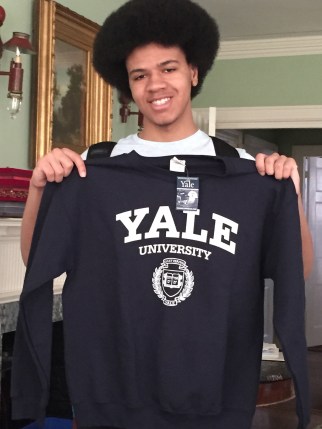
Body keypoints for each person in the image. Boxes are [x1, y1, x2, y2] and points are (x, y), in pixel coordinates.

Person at [15, 1, 312, 428]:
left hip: (215, 392)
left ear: (193, 72)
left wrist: (291, 198)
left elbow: (295, 269)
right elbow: (36, 262)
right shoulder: (92, 168)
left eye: (168, 68)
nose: (156, 84)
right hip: (114, 393)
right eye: (140, 75)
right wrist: (39, 190)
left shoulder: (247, 169)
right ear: (128, 86)